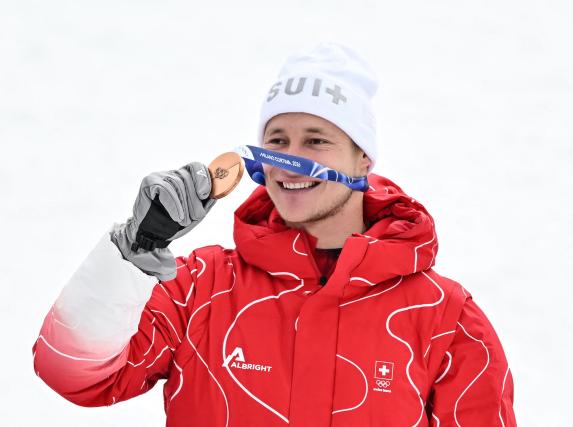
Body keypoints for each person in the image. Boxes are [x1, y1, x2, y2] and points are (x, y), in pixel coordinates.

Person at [32, 42, 517, 426]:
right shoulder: (201, 287)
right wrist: (135, 253)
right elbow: (75, 375)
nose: (292, 159)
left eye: (317, 141)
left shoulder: (442, 316)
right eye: (277, 141)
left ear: (362, 160)